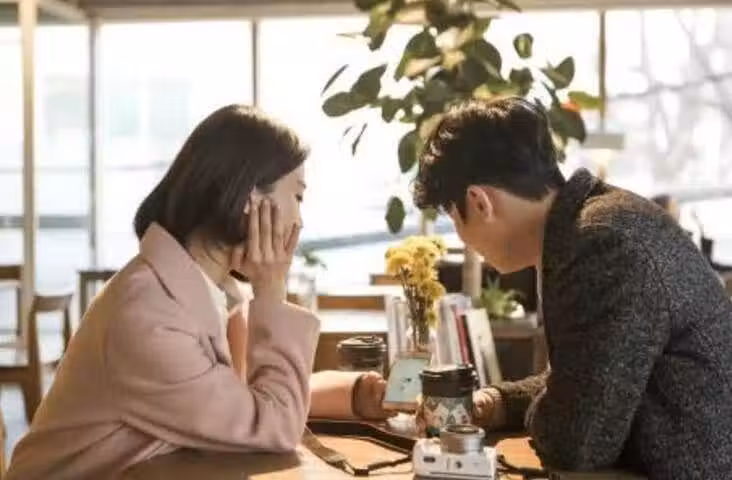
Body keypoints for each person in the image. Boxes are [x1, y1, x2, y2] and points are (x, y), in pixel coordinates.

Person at [5, 105, 387, 480]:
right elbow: (273, 427)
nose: (300, 220)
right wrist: (271, 290)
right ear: (251, 201)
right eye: (298, 196)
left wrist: (355, 392)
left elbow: (238, 400)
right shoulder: (148, 316)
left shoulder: (203, 291)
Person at [412, 97, 732, 478]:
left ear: (479, 202)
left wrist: (554, 410)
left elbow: (577, 442)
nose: (463, 238)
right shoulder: (592, 226)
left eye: (454, 219)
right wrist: (498, 403)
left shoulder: (603, 245)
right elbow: (585, 378)